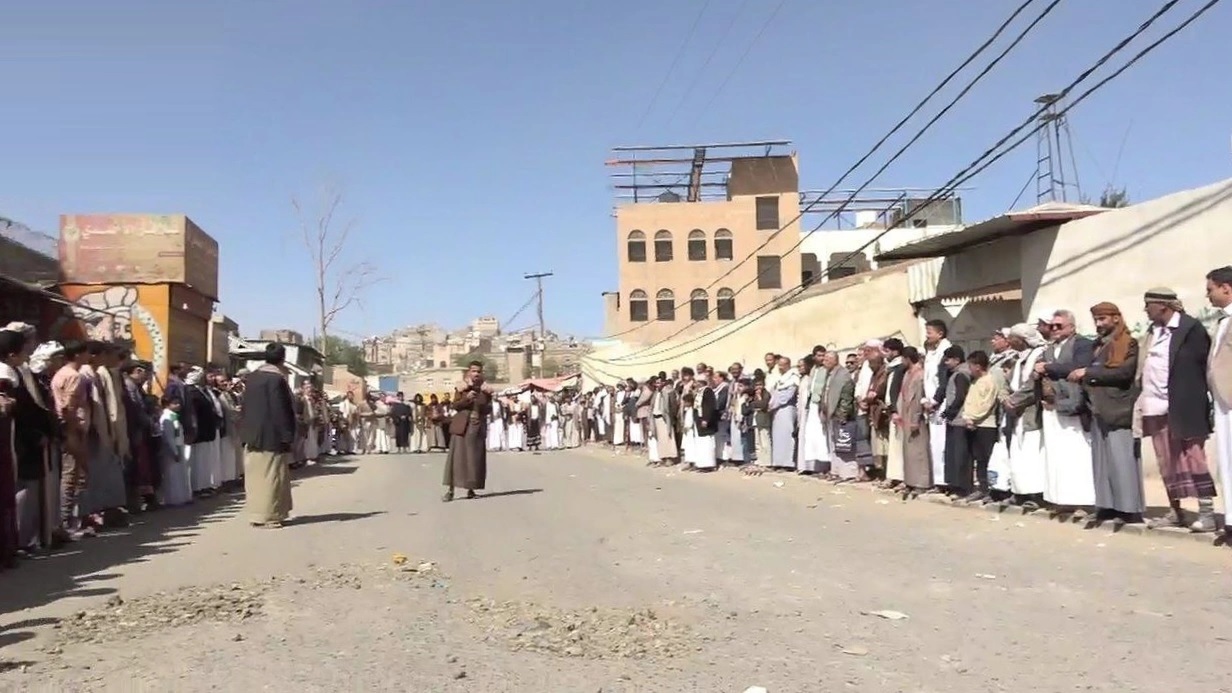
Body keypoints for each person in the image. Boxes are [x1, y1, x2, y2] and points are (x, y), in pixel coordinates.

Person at [240, 343, 297, 528]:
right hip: (271, 437)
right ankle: (270, 516)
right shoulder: (276, 380)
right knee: (272, 478)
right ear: (282, 358)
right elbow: (280, 410)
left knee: (255, 478)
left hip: (252, 435)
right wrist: (287, 435)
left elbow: (245, 407)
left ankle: (256, 515)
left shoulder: (252, 378)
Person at [442, 360, 493, 502]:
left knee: (474, 460)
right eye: (473, 371)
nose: (476, 374)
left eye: (478, 371)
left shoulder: (485, 390)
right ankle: (450, 491)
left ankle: (471, 489)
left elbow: (488, 409)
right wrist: (467, 399)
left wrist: (485, 401)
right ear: (469, 372)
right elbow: (455, 405)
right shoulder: (462, 388)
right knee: (456, 460)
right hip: (462, 427)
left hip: (476, 428)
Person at [158, 396, 193, 507]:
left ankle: (183, 496)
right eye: (175, 403)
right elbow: (169, 437)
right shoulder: (166, 418)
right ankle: (174, 499)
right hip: (172, 450)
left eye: (179, 403)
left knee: (181, 474)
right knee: (173, 475)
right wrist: (175, 451)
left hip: (179, 446)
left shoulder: (174, 416)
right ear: (167, 404)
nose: (178, 405)